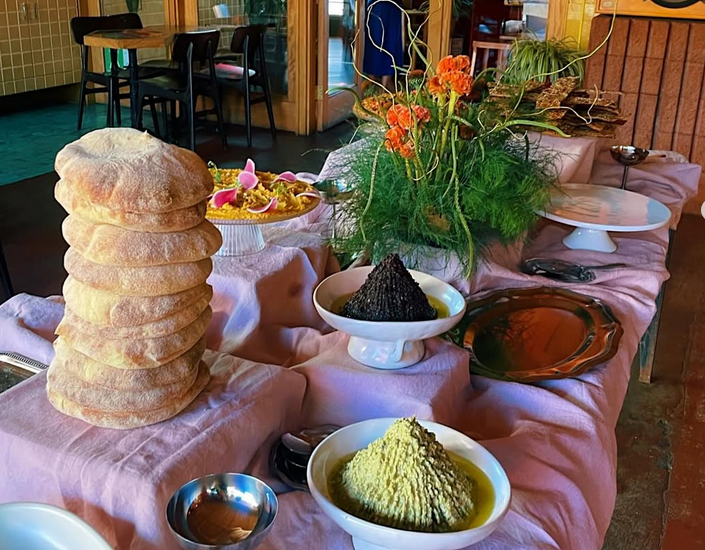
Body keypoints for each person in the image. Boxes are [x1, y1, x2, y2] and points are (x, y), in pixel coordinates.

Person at [363, 0, 404, 91]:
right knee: (382, 42)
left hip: (385, 7)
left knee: (385, 42)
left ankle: (377, 84)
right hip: (379, 7)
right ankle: (380, 84)